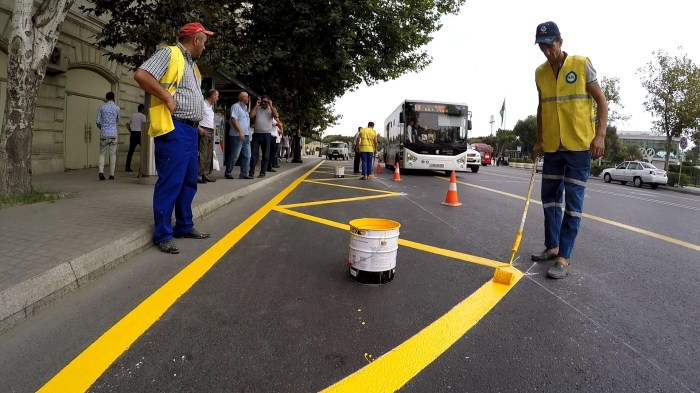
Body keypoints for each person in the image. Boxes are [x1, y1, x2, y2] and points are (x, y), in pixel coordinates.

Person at [531, 21, 607, 279]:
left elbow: (601, 101)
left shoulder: (581, 64)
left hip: (578, 146)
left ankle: (563, 258)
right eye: (542, 46)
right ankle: (552, 247)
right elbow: (542, 108)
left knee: (572, 205)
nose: (546, 51)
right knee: (550, 200)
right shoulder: (540, 73)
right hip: (553, 146)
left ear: (560, 41)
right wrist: (539, 140)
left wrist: (600, 136)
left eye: (550, 45)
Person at [133, 22, 214, 254]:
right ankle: (163, 234)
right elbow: (141, 75)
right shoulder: (170, 53)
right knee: (171, 182)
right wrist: (167, 98)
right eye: (204, 42)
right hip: (174, 128)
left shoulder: (192, 66)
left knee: (189, 181)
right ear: (196, 40)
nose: (205, 47)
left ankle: (184, 226)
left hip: (189, 130)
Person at [249, 95, 280, 178]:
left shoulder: (271, 110)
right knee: (253, 154)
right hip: (256, 134)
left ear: (269, 102)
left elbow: (276, 116)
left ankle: (262, 172)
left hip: (266, 135)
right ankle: (251, 172)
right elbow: (251, 116)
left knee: (265, 155)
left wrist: (271, 106)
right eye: (262, 101)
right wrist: (256, 105)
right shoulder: (258, 108)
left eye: (265, 101)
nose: (263, 103)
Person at [225, 91, 253, 179]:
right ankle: (228, 172)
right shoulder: (235, 106)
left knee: (247, 155)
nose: (248, 98)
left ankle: (244, 174)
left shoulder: (245, 108)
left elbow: (249, 118)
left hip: (246, 135)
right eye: (247, 97)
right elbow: (234, 120)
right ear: (242, 98)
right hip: (237, 135)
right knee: (235, 155)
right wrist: (240, 131)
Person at [95, 91, 120, 180]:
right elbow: (117, 120)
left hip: (103, 134)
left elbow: (97, 121)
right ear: (113, 98)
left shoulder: (102, 107)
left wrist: (102, 128)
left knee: (102, 154)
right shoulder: (117, 108)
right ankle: (112, 174)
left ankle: (101, 172)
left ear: (106, 98)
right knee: (112, 154)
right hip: (113, 134)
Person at [197, 89, 219, 184]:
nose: (217, 98)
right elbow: (196, 115)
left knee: (209, 154)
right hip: (204, 129)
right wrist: (198, 128)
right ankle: (197, 175)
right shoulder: (202, 104)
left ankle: (205, 174)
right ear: (213, 96)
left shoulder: (210, 106)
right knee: (203, 153)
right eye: (217, 96)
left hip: (211, 130)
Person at [125, 104, 146, 172]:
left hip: (133, 133)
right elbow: (144, 125)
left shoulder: (133, 115)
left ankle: (127, 167)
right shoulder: (143, 116)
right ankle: (144, 166)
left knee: (130, 151)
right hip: (140, 134)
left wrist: (131, 131)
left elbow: (127, 124)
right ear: (142, 109)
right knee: (144, 151)